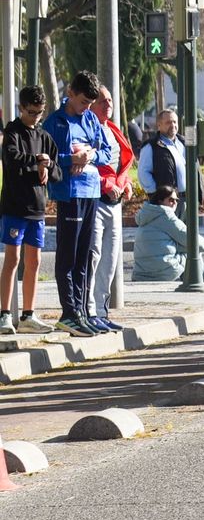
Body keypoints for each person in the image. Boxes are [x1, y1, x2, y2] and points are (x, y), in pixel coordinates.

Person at [43, 72, 115, 337]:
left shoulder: (91, 120)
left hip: (91, 192)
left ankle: (83, 310)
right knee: (69, 255)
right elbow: (46, 157)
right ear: (70, 93)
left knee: (85, 255)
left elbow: (107, 152)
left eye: (89, 103)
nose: (86, 107)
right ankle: (69, 312)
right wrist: (70, 159)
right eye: (83, 101)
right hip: (69, 194)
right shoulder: (56, 122)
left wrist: (90, 155)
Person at [0, 86, 61, 334]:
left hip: (37, 207)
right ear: (21, 108)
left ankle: (28, 314)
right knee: (12, 259)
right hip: (15, 206)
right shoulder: (12, 131)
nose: (36, 117)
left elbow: (57, 170)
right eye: (32, 112)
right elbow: (12, 159)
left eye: (40, 112)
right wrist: (37, 161)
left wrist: (47, 165)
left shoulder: (44, 136)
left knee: (33, 261)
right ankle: (4, 314)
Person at [86, 86, 134, 332]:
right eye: (102, 101)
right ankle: (88, 311)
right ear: (91, 105)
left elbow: (121, 163)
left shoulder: (113, 129)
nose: (108, 104)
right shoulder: (88, 129)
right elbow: (88, 163)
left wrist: (124, 184)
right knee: (92, 256)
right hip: (96, 201)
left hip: (115, 204)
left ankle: (102, 312)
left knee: (110, 261)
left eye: (110, 100)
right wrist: (106, 184)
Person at [133, 185, 188, 281]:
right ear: (160, 201)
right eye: (171, 200)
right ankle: (200, 284)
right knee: (195, 253)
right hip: (165, 273)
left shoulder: (144, 215)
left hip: (140, 274)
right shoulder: (167, 215)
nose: (175, 203)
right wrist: (177, 246)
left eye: (177, 200)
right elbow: (198, 243)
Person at [137, 108, 186, 202]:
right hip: (166, 201)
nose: (173, 125)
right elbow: (143, 173)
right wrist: (158, 195)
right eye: (168, 122)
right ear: (159, 126)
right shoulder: (151, 146)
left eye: (175, 122)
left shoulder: (183, 142)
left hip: (186, 199)